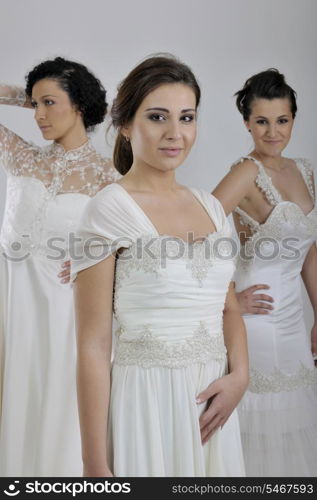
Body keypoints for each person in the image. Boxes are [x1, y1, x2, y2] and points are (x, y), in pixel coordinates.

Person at [72, 54, 248, 477]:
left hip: (214, 405)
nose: (175, 133)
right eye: (157, 117)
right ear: (126, 126)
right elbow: (93, 346)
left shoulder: (211, 207)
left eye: (186, 117)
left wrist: (240, 375)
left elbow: (228, 307)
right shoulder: (108, 210)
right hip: (147, 403)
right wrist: (95, 464)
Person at [0, 57, 119, 476]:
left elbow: (127, 258)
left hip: (62, 321)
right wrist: (23, 94)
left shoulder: (109, 179)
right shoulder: (21, 157)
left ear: (80, 105)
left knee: (57, 427)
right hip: (9, 311)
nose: (39, 115)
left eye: (49, 103)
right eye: (34, 105)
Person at [212, 68, 317, 476]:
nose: (273, 132)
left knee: (295, 426)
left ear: (293, 119)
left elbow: (308, 251)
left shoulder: (306, 170)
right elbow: (196, 233)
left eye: (282, 120)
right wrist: (229, 301)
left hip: (293, 320)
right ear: (246, 123)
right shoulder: (245, 172)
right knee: (261, 426)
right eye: (261, 122)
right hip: (257, 321)